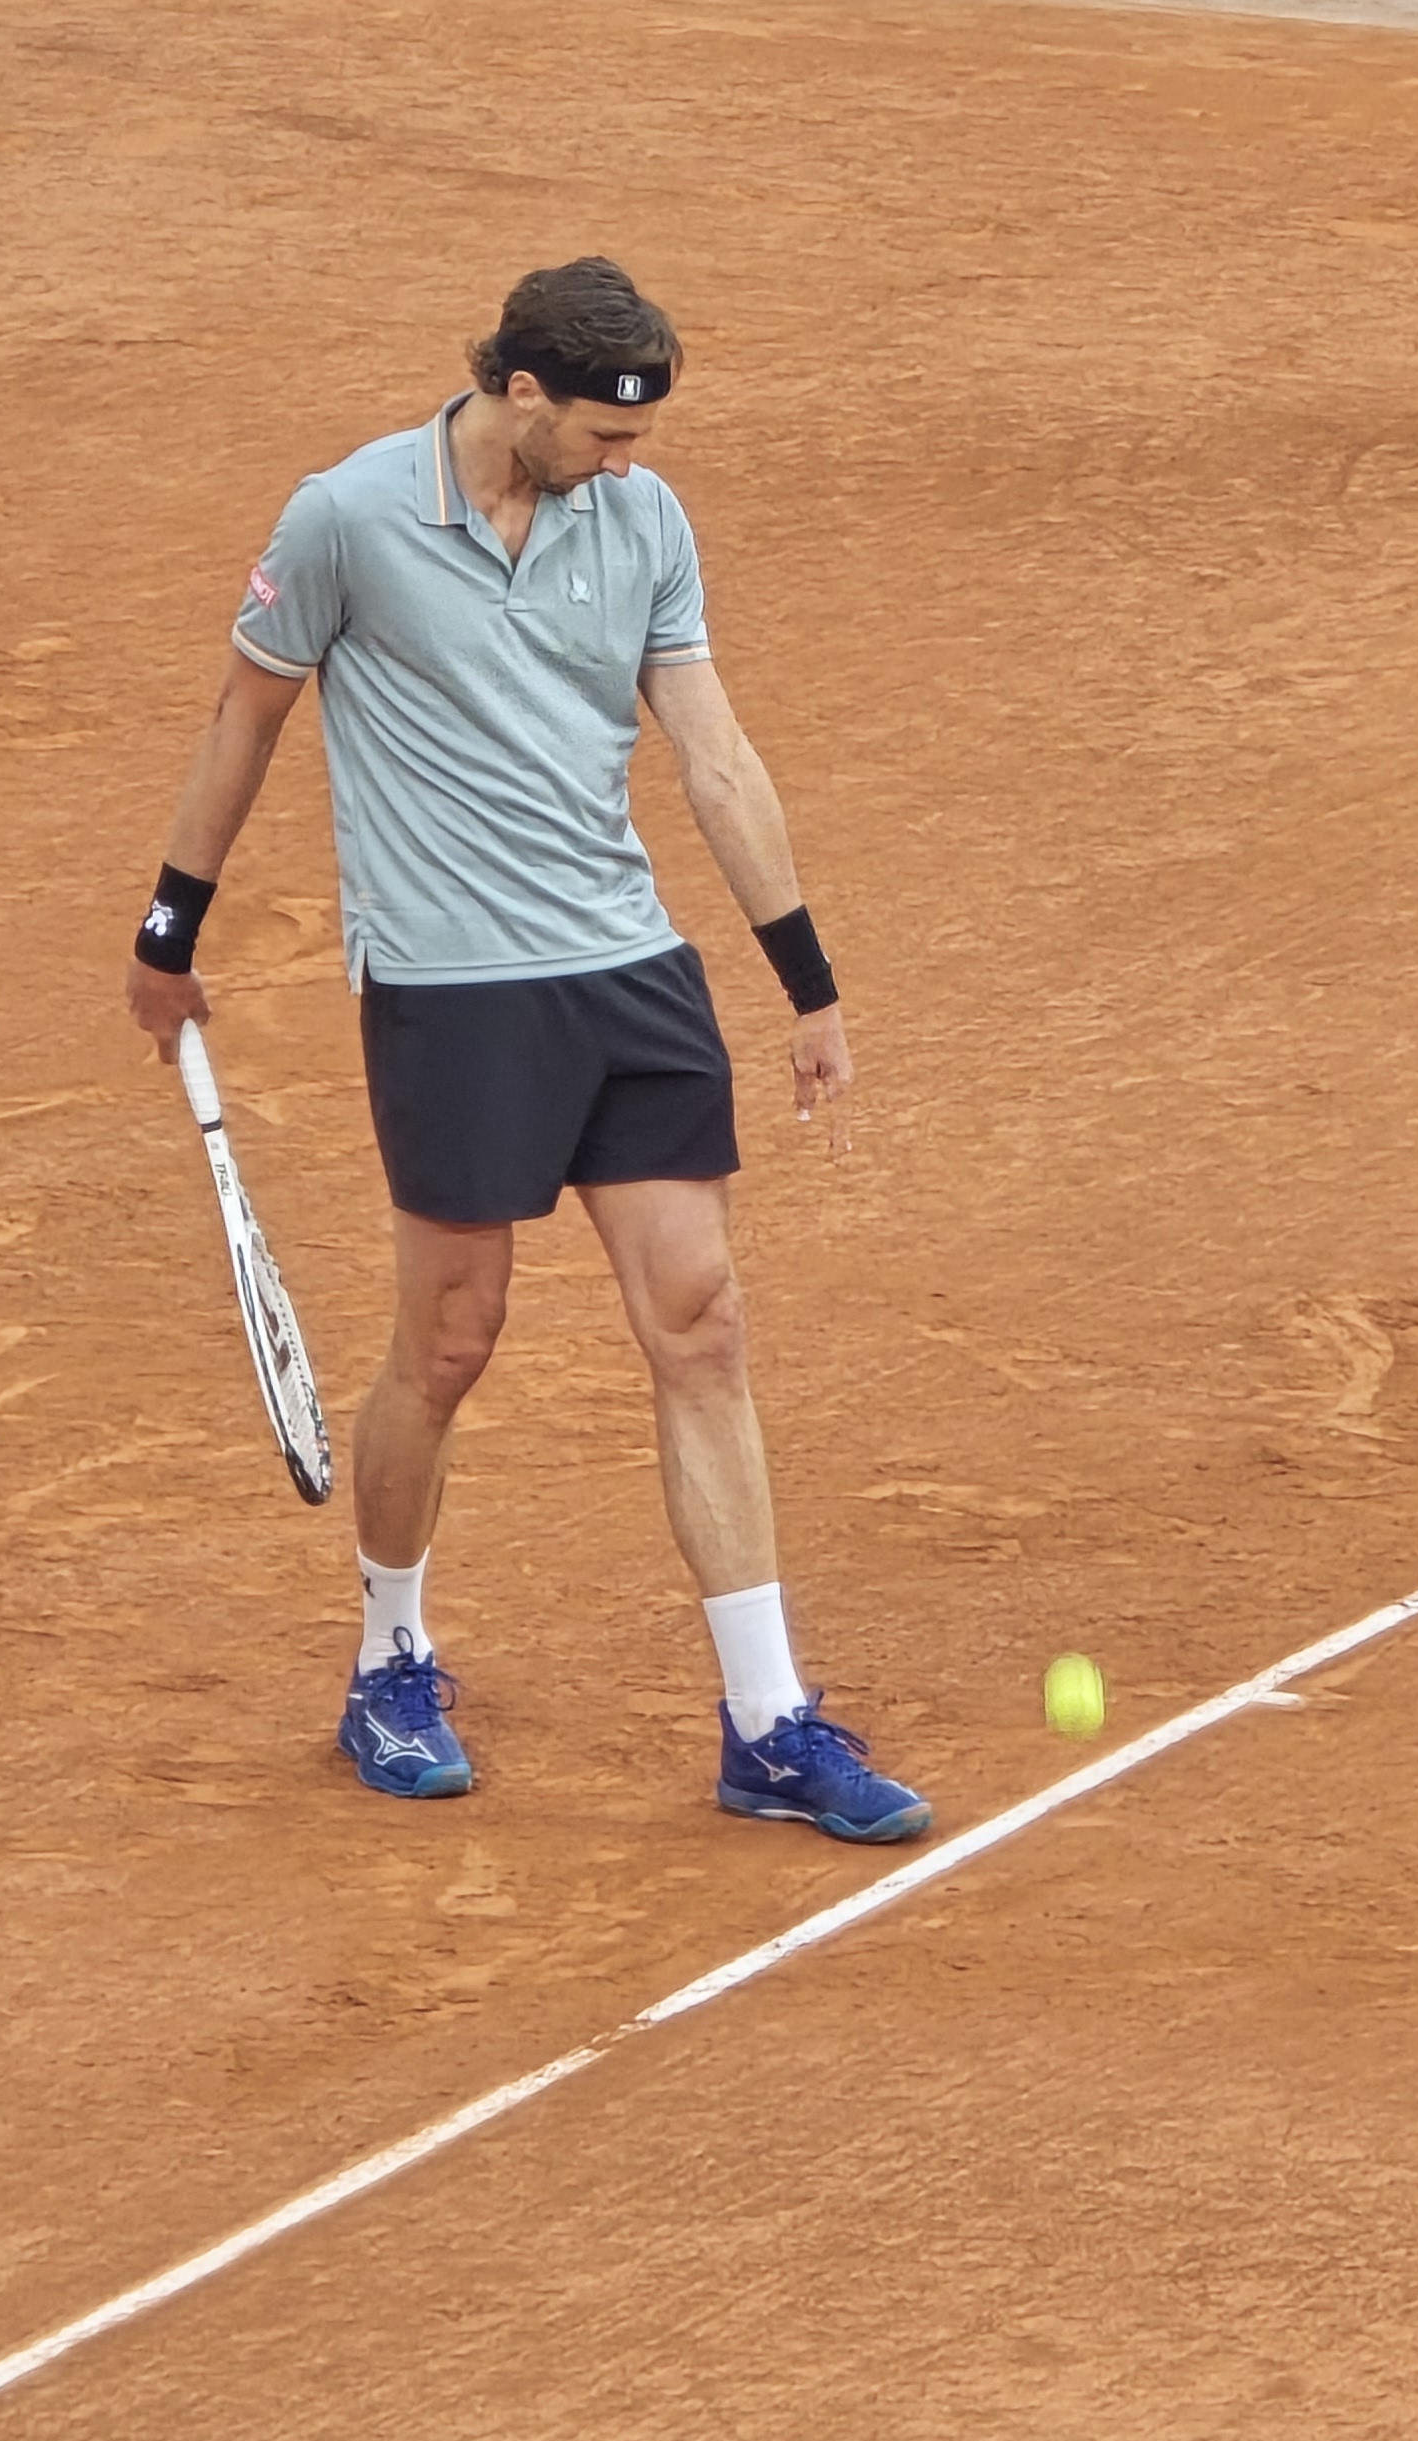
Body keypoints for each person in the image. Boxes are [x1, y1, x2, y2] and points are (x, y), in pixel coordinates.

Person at [122, 258, 930, 1845]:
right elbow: (244, 719)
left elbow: (712, 750)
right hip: (451, 990)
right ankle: (390, 1660)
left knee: (701, 1323)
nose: (625, 471)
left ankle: (767, 1721)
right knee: (450, 1342)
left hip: (628, 975)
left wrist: (806, 981)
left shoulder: (646, 524)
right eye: (600, 439)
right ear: (519, 394)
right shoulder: (347, 518)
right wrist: (170, 935)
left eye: (642, 444)